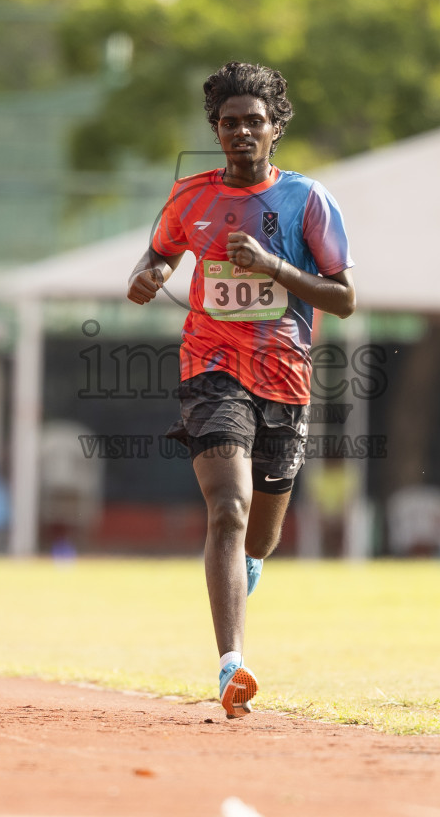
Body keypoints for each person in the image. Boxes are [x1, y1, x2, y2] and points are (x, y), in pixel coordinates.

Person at [128, 61, 355, 718]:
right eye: (229, 123)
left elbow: (345, 297)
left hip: (285, 375)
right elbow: (161, 252)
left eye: (254, 121)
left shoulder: (307, 201)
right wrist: (148, 275)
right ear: (215, 129)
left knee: (260, 536)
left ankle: (245, 569)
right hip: (211, 367)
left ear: (276, 128)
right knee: (226, 508)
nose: (241, 132)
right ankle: (232, 665)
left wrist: (274, 265)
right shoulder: (191, 196)